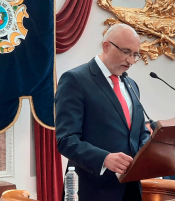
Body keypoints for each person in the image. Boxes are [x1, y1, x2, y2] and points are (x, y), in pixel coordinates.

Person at [55, 24, 150, 200]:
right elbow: (66, 140)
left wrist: (152, 149)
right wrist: (104, 158)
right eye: (126, 52)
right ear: (106, 46)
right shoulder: (75, 80)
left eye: (135, 55)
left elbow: (140, 133)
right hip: (93, 190)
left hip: (131, 190)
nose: (131, 60)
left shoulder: (131, 85)